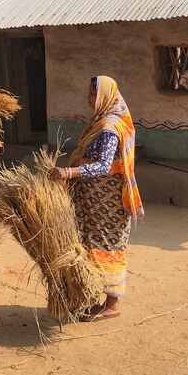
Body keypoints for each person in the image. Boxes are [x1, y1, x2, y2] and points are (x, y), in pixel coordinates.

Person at [50, 76, 144, 321]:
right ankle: (92, 298)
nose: (89, 99)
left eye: (93, 94)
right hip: (93, 201)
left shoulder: (109, 127)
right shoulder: (100, 121)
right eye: (89, 94)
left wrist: (69, 172)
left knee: (107, 245)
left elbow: (103, 166)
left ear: (105, 96)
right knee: (90, 245)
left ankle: (112, 304)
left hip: (107, 204)